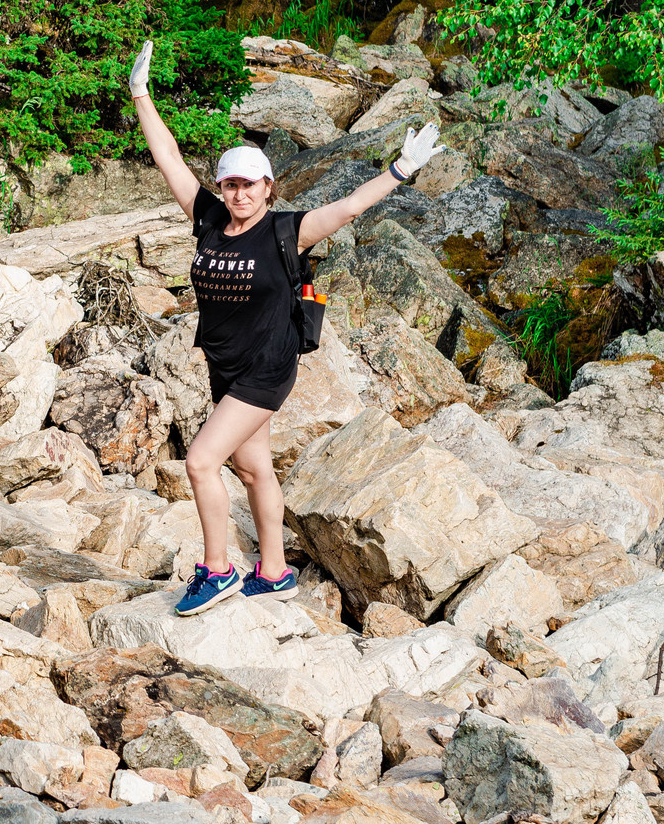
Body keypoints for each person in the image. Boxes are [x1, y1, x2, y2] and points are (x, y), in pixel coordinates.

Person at [129, 39, 446, 615]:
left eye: (250, 184)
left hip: (268, 367)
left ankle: (218, 569)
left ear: (269, 187)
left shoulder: (286, 231)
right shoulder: (206, 218)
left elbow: (349, 206)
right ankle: (273, 573)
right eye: (230, 184)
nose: (239, 193)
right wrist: (141, 95)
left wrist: (399, 170)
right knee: (253, 468)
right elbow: (169, 159)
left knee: (201, 460)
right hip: (225, 363)